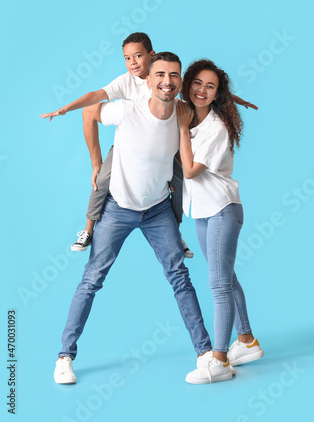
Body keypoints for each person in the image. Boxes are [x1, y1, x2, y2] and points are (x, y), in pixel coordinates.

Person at [53, 52, 214, 385]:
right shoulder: (127, 109)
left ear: (180, 82)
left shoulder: (183, 115)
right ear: (150, 80)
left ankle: (206, 355)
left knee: (179, 278)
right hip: (118, 209)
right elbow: (89, 111)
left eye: (173, 76)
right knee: (91, 279)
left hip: (157, 211)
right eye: (159, 75)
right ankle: (64, 357)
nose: (166, 81)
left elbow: (217, 97)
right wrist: (97, 164)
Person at [40, 32, 257, 256]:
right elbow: (95, 96)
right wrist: (66, 109)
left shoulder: (166, 78)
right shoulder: (125, 81)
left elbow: (202, 91)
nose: (133, 62)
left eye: (138, 56)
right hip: (132, 144)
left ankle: (175, 233)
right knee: (103, 177)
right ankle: (88, 229)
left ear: (151, 56)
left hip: (167, 141)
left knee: (181, 180)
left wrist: (235, 99)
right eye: (127, 58)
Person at [176, 59, 264, 385]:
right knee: (227, 278)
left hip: (222, 210)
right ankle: (248, 342)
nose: (202, 90)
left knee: (218, 284)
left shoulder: (216, 127)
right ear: (188, 84)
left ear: (217, 93)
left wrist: (182, 127)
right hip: (202, 211)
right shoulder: (186, 112)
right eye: (197, 83)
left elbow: (190, 170)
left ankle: (220, 360)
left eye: (210, 86)